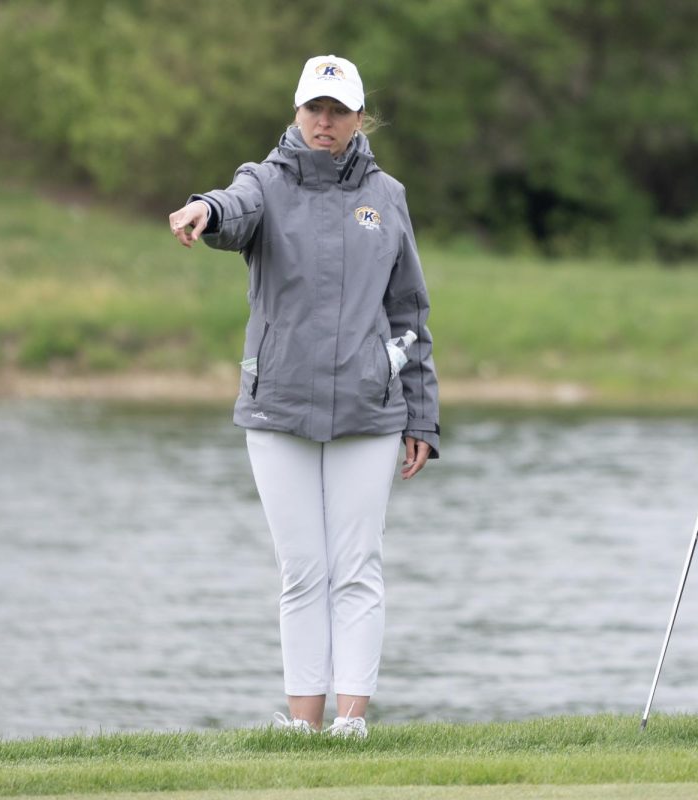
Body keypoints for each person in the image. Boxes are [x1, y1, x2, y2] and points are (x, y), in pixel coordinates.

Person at [167, 55, 440, 738]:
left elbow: (409, 314)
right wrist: (204, 207)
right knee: (302, 571)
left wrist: (421, 415)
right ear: (297, 113)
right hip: (279, 406)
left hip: (369, 410)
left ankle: (351, 721)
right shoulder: (262, 181)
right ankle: (303, 726)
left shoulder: (389, 195)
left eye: (338, 111)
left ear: (357, 118)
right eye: (314, 109)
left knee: (356, 568)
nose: (325, 122)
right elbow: (233, 210)